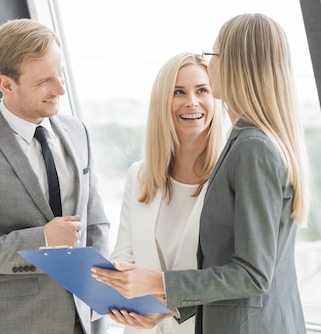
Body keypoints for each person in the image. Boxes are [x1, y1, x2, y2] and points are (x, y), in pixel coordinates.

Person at [92, 13, 310, 334]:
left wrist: (157, 282)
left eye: (215, 54)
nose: (210, 63)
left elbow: (253, 274)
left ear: (236, 64)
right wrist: (169, 307)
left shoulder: (252, 147)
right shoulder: (244, 141)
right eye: (178, 91)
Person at [0, 18, 110, 334]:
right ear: (6, 84)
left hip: (85, 321)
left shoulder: (76, 131)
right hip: (13, 324)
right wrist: (42, 240)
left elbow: (96, 223)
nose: (61, 90)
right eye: (44, 82)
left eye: (61, 75)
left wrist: (101, 293)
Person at [107, 52, 225, 334]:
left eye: (202, 90)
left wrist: (167, 305)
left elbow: (230, 278)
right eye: (179, 92)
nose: (192, 102)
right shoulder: (140, 175)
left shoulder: (227, 178)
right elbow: (124, 254)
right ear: (163, 102)